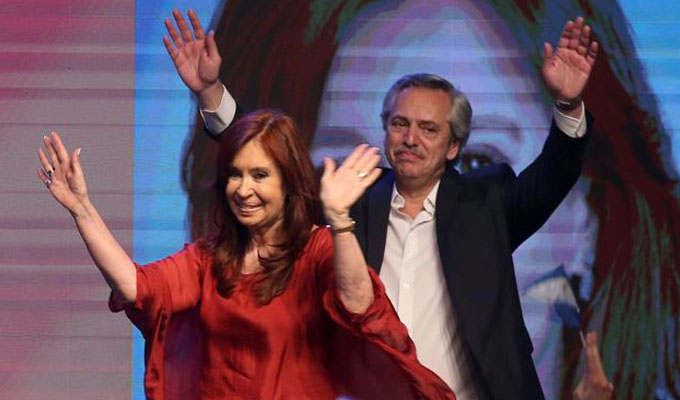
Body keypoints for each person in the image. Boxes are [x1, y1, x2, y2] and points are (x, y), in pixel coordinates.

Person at [165, 5, 609, 398]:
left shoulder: (487, 203)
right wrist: (212, 94)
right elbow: (272, 166)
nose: (410, 139)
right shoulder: (353, 199)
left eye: (428, 129)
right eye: (399, 124)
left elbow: (554, 174)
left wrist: (569, 104)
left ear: (454, 147)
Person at [36, 110, 456, 399]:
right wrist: (83, 210)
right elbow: (136, 287)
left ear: (289, 182)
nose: (243, 189)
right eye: (235, 174)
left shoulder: (316, 250)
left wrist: (340, 219)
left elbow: (360, 304)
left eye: (259, 175)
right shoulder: (208, 257)